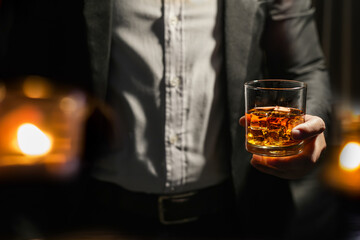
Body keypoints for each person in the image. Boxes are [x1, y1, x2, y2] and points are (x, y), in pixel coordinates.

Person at [0, 0, 339, 239]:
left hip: (231, 215)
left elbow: (306, 66)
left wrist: (312, 126)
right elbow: (24, 67)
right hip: (99, 214)